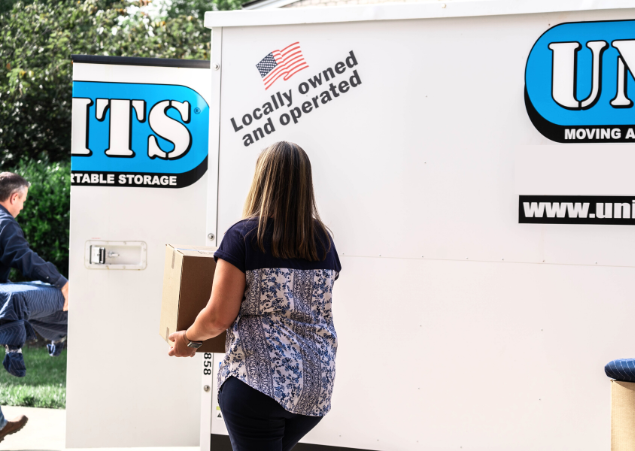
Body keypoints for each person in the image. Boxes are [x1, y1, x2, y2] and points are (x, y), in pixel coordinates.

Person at [169, 141, 341, 451]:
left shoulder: (244, 237)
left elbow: (219, 316)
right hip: (314, 391)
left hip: (257, 386)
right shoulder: (323, 240)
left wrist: (189, 340)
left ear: (261, 180)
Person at [0, 172, 70, 441]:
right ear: (14, 197)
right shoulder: (4, 221)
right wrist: (61, 281)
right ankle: (60, 334)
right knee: (57, 299)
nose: (23, 206)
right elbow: (22, 256)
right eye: (24, 201)